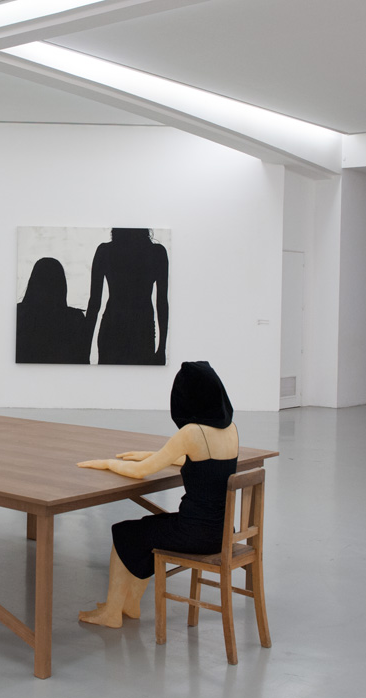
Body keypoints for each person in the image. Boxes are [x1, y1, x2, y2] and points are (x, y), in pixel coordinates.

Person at [76, 361, 237, 628]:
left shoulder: (191, 432)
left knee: (124, 533)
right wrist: (152, 455)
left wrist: (107, 463)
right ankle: (130, 604)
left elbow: (140, 472)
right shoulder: (230, 429)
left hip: (195, 534)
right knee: (148, 531)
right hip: (223, 532)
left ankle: (111, 613)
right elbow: (201, 462)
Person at [84, 228, 169, 365]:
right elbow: (162, 303)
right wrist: (162, 347)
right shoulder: (157, 253)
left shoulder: (105, 251)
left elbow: (94, 303)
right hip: (142, 329)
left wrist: (85, 348)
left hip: (112, 327)